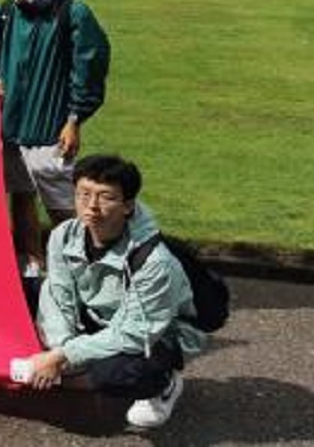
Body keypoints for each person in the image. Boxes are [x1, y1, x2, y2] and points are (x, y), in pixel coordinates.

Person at [14, 154, 205, 430]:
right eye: (83, 194)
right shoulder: (63, 235)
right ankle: (66, 362)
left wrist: (63, 357)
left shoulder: (154, 261)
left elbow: (135, 333)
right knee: (23, 290)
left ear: (127, 206)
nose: (91, 205)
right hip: (100, 315)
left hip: (156, 334)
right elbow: (57, 294)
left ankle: (164, 384)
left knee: (113, 374)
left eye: (106, 197)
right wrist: (61, 346)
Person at [0, 0, 110, 273]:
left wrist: (75, 118)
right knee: (21, 195)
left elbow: (89, 66)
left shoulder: (72, 11)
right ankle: (33, 262)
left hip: (51, 127)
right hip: (9, 126)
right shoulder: (5, 12)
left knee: (62, 203)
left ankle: (81, 267)